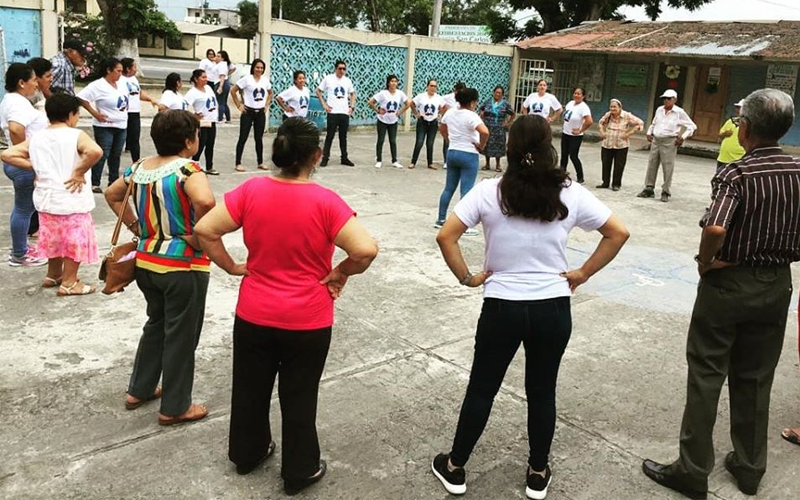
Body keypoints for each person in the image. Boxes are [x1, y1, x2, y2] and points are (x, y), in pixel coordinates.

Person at [431, 114, 629, 500]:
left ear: (510, 146)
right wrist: (583, 272)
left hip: (502, 306)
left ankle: (455, 467)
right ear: (548, 146)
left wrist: (467, 277)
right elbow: (618, 232)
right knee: (542, 391)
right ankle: (537, 473)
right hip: (552, 307)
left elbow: (446, 236)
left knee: (482, 388)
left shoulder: (491, 191)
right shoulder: (570, 191)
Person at [193, 117, 378, 495]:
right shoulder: (326, 202)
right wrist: (340, 272)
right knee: (299, 394)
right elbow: (365, 250)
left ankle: (249, 453)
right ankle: (299, 469)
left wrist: (231, 266)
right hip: (307, 320)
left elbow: (204, 230)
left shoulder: (251, 190)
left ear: (278, 153)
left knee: (250, 388)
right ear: (316, 156)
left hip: (255, 313)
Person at [642, 89, 800, 500]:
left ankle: (693, 470)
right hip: (776, 282)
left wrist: (705, 261)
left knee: (707, 373)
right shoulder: (797, 170)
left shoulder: (737, 172)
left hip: (729, 284)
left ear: (744, 128)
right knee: (755, 377)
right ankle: (749, 468)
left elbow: (715, 226)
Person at [104, 109, 216, 426]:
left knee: (156, 323)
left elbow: (112, 194)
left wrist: (138, 227)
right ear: (189, 141)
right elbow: (205, 202)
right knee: (181, 335)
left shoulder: (139, 168)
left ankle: (138, 389)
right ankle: (176, 405)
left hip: (146, 262)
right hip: (183, 265)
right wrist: (198, 236)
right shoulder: (188, 170)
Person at [1, 94, 103, 294]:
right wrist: (79, 171)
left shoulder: (37, 137)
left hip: (47, 198)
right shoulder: (76, 135)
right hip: (72, 198)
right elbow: (95, 151)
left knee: (53, 238)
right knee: (75, 239)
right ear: (71, 115)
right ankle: (70, 282)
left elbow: (7, 154)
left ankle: (53, 275)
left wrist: (35, 166)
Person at [1, 63, 48, 266]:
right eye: (33, 81)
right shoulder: (17, 104)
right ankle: (19, 254)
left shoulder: (15, 100)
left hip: (22, 162)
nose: (36, 84)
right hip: (23, 165)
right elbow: (16, 129)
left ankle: (20, 249)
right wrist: (26, 157)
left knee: (24, 208)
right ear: (21, 83)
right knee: (23, 209)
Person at [435, 88, 489, 233]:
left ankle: (440, 219)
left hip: (452, 152)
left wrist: (449, 139)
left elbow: (442, 127)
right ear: (472, 102)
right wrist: (481, 146)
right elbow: (484, 131)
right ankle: (465, 225)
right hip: (469, 154)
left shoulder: (450, 112)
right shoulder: (472, 116)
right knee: (466, 190)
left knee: (448, 188)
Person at [76, 57, 130, 193]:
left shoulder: (122, 83)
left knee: (116, 154)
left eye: (121, 71)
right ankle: (94, 182)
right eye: (117, 71)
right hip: (105, 125)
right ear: (109, 70)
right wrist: (95, 113)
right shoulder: (98, 85)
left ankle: (113, 181)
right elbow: (81, 97)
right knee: (102, 153)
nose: (120, 74)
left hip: (121, 123)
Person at [637, 89, 697, 202]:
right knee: (652, 164)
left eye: (669, 98)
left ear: (674, 99)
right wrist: (649, 132)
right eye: (664, 98)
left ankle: (665, 191)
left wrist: (683, 137)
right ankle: (649, 188)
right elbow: (654, 123)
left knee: (667, 166)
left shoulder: (679, 112)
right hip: (656, 139)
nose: (666, 101)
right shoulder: (659, 110)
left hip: (669, 141)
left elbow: (692, 126)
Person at [231, 58, 272, 172]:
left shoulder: (265, 80)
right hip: (248, 112)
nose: (259, 69)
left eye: (261, 68)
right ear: (253, 68)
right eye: (257, 67)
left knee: (258, 138)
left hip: (260, 113)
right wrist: (239, 105)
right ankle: (238, 162)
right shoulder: (247, 79)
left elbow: (270, 93)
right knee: (243, 137)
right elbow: (233, 90)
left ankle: (260, 162)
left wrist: (266, 104)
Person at [596, 98, 644, 190]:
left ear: (620, 107)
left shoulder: (626, 115)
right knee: (606, 163)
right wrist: (602, 132)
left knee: (619, 165)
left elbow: (640, 123)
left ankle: (616, 184)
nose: (612, 109)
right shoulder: (608, 115)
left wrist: (629, 133)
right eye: (611, 107)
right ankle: (605, 182)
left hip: (621, 145)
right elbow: (601, 122)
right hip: (607, 143)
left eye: (615, 107)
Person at [316, 60, 356, 167]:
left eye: (344, 69)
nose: (342, 71)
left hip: (344, 112)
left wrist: (351, 107)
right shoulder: (329, 78)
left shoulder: (347, 81)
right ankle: (325, 158)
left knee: (343, 137)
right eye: (340, 68)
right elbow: (318, 91)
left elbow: (352, 94)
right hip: (333, 112)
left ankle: (344, 157)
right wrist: (324, 105)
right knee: (330, 136)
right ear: (335, 68)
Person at [368, 74, 410, 169]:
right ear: (388, 83)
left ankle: (394, 160)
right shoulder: (383, 93)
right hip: (382, 120)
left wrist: (400, 112)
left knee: (393, 141)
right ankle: (379, 160)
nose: (394, 83)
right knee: (381, 140)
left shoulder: (400, 93)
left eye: (395, 81)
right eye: (392, 81)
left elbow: (408, 104)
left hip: (393, 121)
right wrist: (378, 110)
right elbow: (370, 102)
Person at [120, 58, 157, 163]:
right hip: (124, 112)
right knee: (120, 139)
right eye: (134, 67)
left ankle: (136, 163)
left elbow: (139, 93)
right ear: (128, 68)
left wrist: (151, 99)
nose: (136, 69)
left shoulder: (134, 79)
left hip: (135, 112)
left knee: (135, 138)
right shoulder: (120, 80)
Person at [185, 69, 220, 176]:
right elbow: (184, 105)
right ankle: (193, 166)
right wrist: (193, 116)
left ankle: (209, 166)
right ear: (196, 79)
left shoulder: (208, 88)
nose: (206, 79)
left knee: (210, 144)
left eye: (206, 77)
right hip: (201, 123)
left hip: (212, 121)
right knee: (200, 145)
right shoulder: (192, 92)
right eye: (203, 77)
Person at [559, 87, 593, 184]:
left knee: (573, 156)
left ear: (583, 96)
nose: (576, 95)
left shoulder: (584, 107)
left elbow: (589, 121)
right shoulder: (570, 103)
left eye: (579, 94)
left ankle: (580, 177)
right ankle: (561, 175)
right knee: (564, 155)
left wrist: (580, 130)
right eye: (575, 93)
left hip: (575, 136)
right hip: (566, 133)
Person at [478, 85, 515, 172]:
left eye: (500, 93)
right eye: (496, 92)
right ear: (493, 93)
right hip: (488, 127)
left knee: (498, 145)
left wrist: (508, 123)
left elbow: (513, 114)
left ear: (502, 95)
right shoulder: (487, 101)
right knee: (487, 145)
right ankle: (487, 164)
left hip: (499, 129)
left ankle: (498, 165)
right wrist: (482, 115)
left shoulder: (505, 104)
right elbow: (481, 109)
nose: (497, 94)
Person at [409, 79, 443, 170]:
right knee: (419, 142)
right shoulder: (421, 96)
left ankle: (430, 163)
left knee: (430, 143)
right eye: (431, 86)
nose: (433, 88)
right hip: (422, 121)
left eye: (435, 86)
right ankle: (413, 162)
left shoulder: (438, 98)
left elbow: (444, 107)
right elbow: (411, 103)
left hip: (433, 122)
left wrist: (439, 115)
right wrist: (416, 114)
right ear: (427, 86)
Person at [440, 82, 466, 170]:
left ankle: (457, 161)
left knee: (458, 142)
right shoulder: (448, 97)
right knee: (447, 142)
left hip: (459, 124)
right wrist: (442, 112)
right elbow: (439, 102)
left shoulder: (464, 99)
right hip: (449, 123)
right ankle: (446, 161)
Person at [716, 99, 745, 171]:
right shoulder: (730, 121)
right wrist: (724, 134)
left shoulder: (750, 125)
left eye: (740, 108)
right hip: (723, 157)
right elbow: (719, 135)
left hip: (738, 158)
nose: (737, 110)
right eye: (737, 108)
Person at [216, 50, 236, 123]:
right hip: (226, 83)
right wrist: (228, 73)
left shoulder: (221, 64)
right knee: (224, 102)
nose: (216, 58)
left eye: (218, 56)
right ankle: (228, 118)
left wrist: (220, 86)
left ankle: (220, 118)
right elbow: (234, 68)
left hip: (221, 83)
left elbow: (222, 76)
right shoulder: (225, 64)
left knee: (221, 102)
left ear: (222, 58)